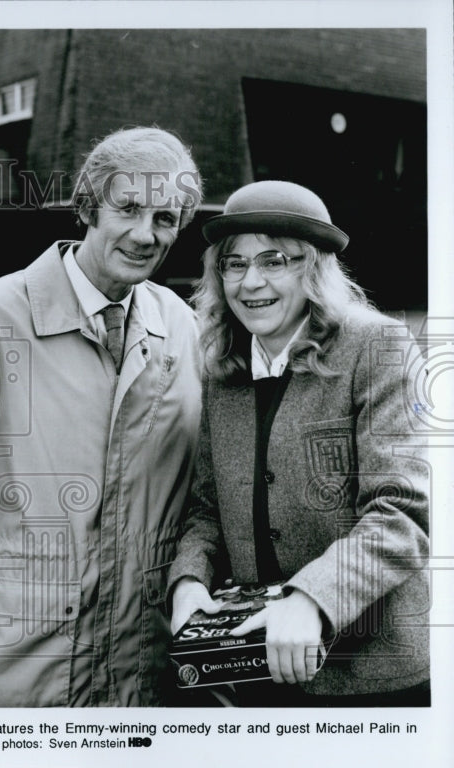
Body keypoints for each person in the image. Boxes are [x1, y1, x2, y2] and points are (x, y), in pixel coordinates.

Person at [0, 127, 203, 706]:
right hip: (21, 670)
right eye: (128, 209)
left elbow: (200, 487)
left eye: (166, 219)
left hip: (141, 667)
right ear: (87, 207)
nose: (145, 235)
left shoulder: (180, 323)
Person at [168, 180, 430, 706]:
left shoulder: (377, 347)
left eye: (274, 261)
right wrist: (188, 581)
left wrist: (313, 598)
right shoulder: (223, 369)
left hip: (370, 678)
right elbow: (206, 510)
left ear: (312, 268)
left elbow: (402, 512)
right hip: (256, 671)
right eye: (234, 264)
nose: (250, 282)